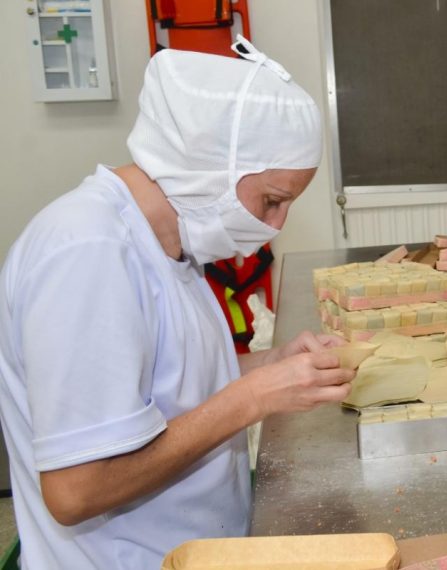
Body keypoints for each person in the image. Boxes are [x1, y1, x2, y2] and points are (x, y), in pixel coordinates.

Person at [0, 40, 355, 569]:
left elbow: (163, 385)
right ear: (210, 166)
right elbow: (76, 489)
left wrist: (271, 366)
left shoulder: (174, 246)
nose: (274, 225)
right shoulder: (89, 252)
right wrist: (252, 398)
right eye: (272, 200)